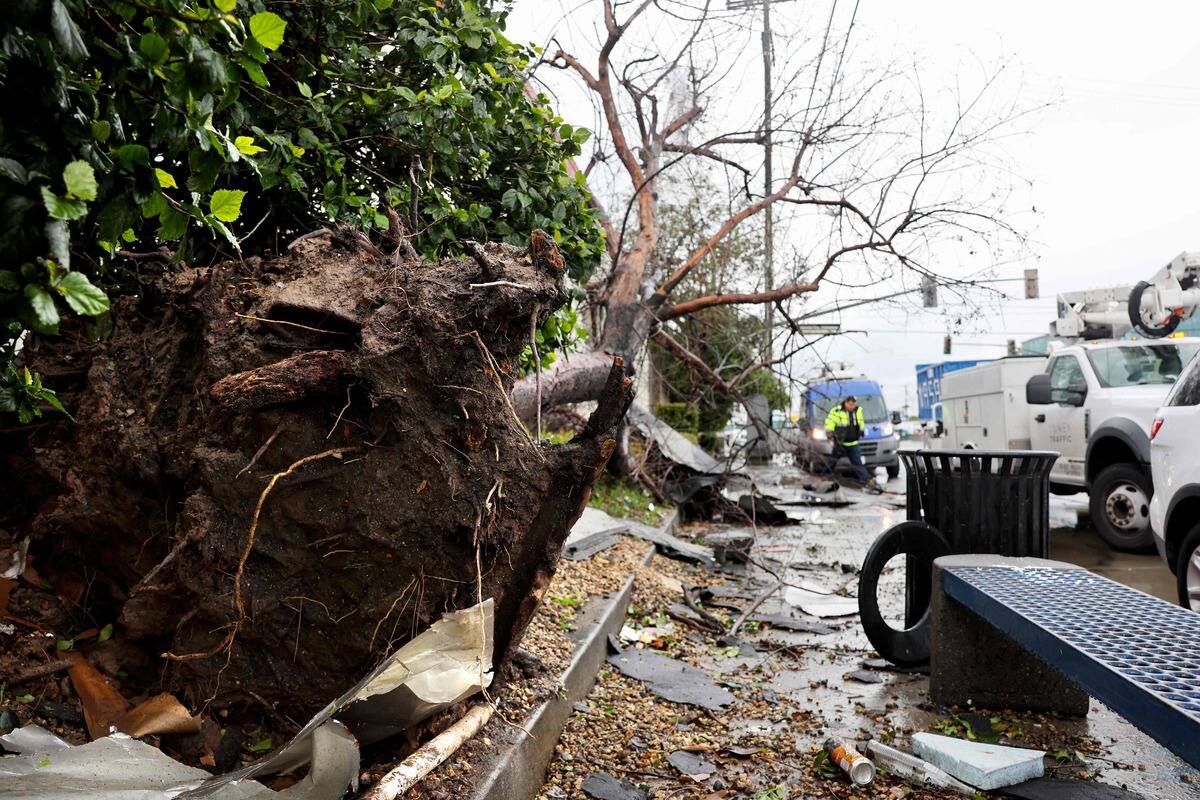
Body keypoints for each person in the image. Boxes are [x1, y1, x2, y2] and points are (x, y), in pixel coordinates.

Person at [824, 396, 871, 484]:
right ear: (845, 402)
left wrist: (862, 430)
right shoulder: (837, 411)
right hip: (840, 442)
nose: (851, 406)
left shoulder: (857, 410)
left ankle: (865, 481)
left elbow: (860, 422)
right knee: (832, 461)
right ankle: (824, 477)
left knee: (857, 463)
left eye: (853, 405)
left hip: (853, 443)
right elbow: (829, 423)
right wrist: (829, 435)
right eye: (850, 404)